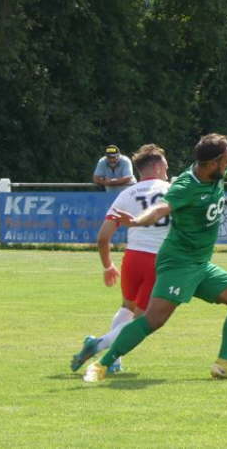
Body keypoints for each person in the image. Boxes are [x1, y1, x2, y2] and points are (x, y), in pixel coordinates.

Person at [83, 133, 227, 382]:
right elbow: (160, 209)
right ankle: (102, 365)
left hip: (199, 264)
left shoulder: (217, 171)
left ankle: (224, 364)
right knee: (153, 320)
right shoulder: (186, 186)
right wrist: (137, 221)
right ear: (213, 162)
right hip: (178, 263)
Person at [71, 144, 171, 374]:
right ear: (156, 167)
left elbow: (103, 237)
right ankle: (99, 345)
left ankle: (114, 360)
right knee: (143, 320)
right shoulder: (173, 190)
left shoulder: (127, 193)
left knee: (127, 307)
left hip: (132, 258)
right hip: (158, 260)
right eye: (165, 166)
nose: (167, 170)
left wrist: (108, 266)